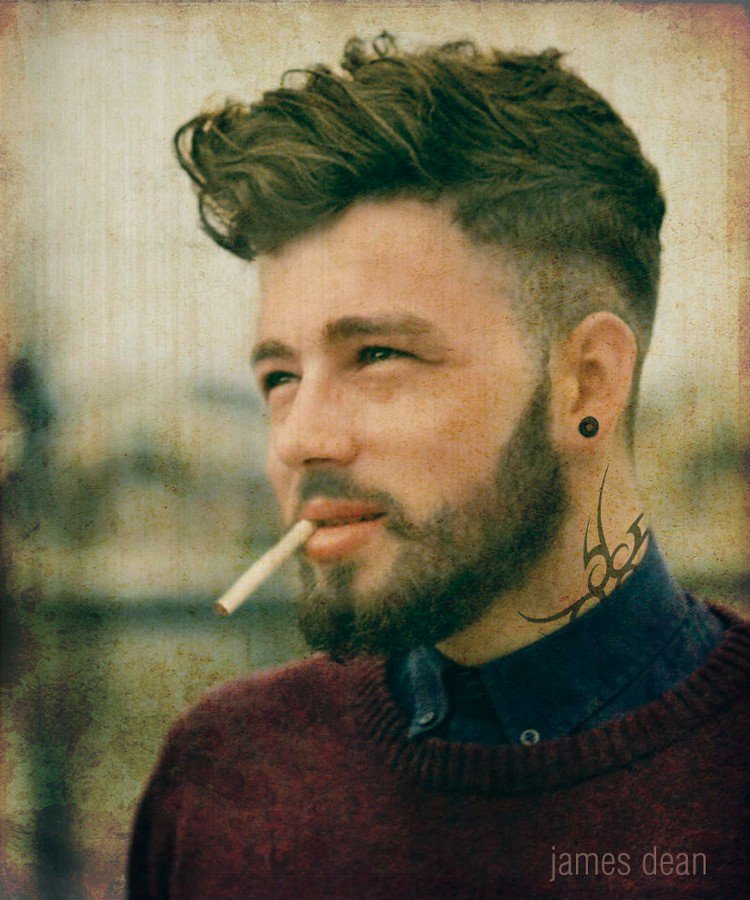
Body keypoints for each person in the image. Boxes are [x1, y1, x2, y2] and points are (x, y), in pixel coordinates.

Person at [128, 35, 749, 897]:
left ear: (587, 383)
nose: (299, 439)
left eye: (378, 354)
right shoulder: (225, 777)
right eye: (279, 377)